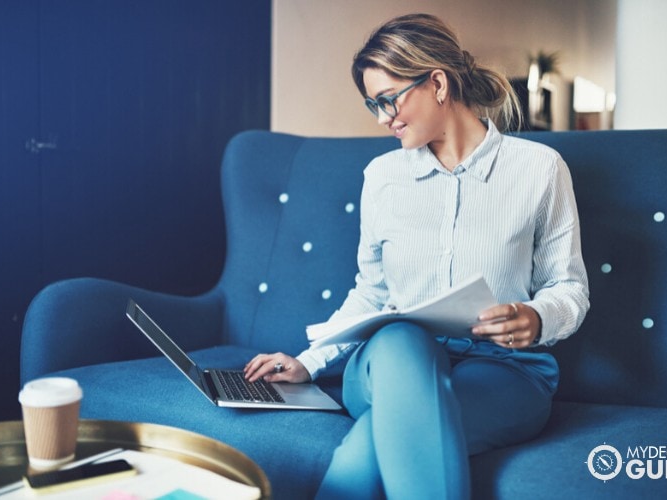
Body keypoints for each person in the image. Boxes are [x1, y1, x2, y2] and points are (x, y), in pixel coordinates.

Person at [244, 13, 589, 499]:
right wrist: (309, 361)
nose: (383, 117)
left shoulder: (539, 169)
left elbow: (569, 286)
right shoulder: (382, 177)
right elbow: (372, 293)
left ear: (438, 83)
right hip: (386, 362)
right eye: (373, 105)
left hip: (504, 372)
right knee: (402, 337)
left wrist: (537, 315)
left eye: (388, 99)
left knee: (372, 444)